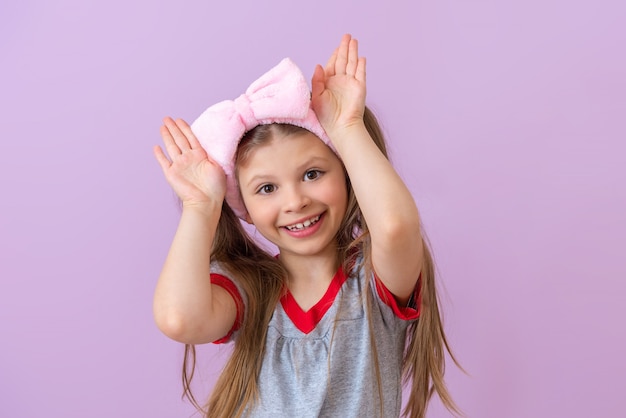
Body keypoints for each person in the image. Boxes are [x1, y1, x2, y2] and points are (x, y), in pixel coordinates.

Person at [153, 34, 460, 418]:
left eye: (313, 173)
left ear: (349, 173)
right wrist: (200, 207)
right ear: (243, 207)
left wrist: (347, 128)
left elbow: (396, 226)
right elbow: (179, 319)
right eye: (266, 188)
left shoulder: (373, 285)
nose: (295, 201)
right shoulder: (248, 291)